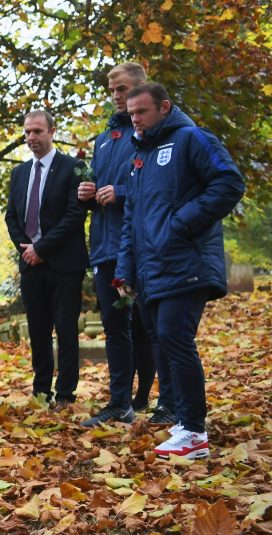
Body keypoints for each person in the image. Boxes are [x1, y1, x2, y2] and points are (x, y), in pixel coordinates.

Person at [115, 83, 244, 459]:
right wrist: (124, 271)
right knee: (165, 343)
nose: (134, 119)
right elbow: (131, 221)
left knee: (175, 339)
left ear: (164, 107)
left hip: (186, 263)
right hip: (151, 271)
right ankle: (186, 419)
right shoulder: (138, 158)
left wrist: (180, 223)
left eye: (141, 112)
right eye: (131, 114)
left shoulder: (192, 139)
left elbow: (229, 183)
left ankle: (193, 433)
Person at [77, 63, 159, 427]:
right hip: (105, 246)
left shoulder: (152, 132)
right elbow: (98, 183)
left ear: (143, 89)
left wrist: (122, 193)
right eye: (112, 90)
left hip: (142, 244)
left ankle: (150, 398)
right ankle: (120, 401)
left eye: (123, 88)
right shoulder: (104, 138)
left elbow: (158, 184)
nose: (116, 96)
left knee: (148, 325)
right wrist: (87, 193)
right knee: (114, 326)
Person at [4, 110, 88, 409]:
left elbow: (75, 215)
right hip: (31, 266)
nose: (31, 138)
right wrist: (26, 248)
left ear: (52, 131)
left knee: (66, 331)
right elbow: (11, 216)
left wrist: (42, 248)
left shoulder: (73, 167)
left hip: (64, 264)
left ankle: (65, 394)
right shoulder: (20, 173)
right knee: (38, 331)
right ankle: (41, 391)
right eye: (27, 132)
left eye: (37, 131)